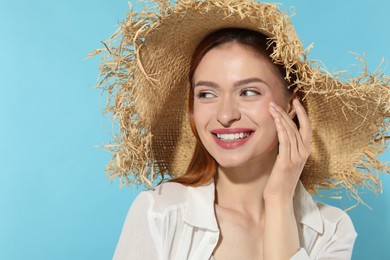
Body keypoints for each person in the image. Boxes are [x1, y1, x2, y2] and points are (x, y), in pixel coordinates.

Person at [93, 0, 390, 259]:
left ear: (291, 105)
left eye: (248, 92)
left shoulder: (331, 230)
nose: (225, 115)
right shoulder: (160, 213)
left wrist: (278, 200)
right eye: (207, 94)